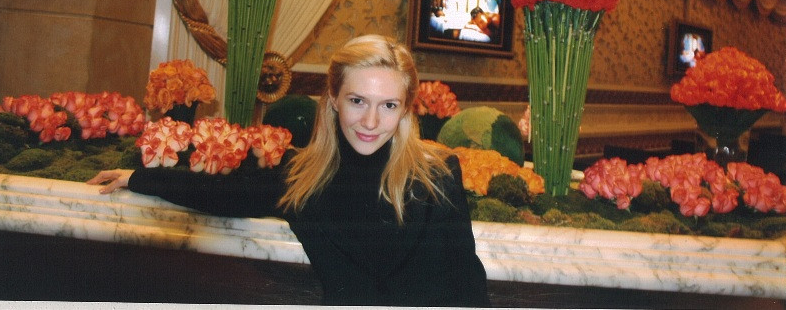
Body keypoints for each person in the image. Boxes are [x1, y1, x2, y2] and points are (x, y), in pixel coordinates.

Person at [88, 35, 490, 307]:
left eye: (388, 105)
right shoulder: (301, 178)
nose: (370, 121)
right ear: (333, 99)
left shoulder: (438, 176)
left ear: (404, 110)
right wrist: (138, 178)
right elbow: (223, 194)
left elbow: (468, 288)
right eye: (357, 101)